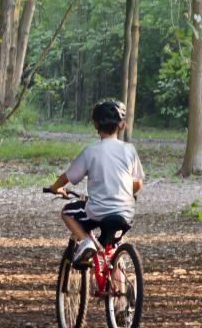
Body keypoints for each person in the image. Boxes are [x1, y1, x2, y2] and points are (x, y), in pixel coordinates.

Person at [46, 100, 144, 267]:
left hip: (98, 211)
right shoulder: (130, 150)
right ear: (121, 125)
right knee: (111, 250)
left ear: (95, 124)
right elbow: (138, 184)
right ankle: (119, 285)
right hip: (125, 214)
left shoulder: (90, 151)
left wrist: (56, 188)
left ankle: (85, 242)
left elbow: (67, 176)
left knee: (68, 212)